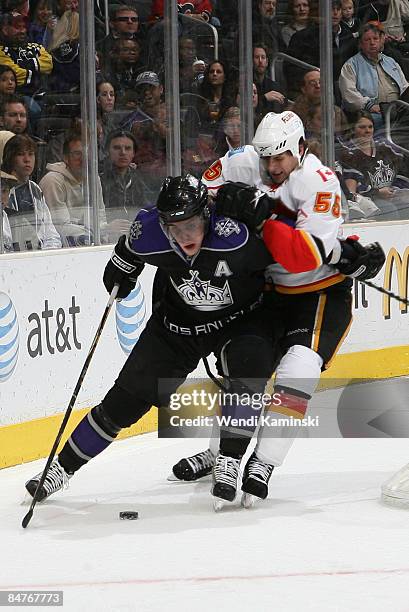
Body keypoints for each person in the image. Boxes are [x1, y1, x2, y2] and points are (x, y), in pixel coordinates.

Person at [25, 174, 279, 508]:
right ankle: (62, 467)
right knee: (124, 401)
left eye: (190, 225)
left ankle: (229, 460)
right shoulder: (148, 232)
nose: (183, 236)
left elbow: (285, 263)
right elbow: (127, 252)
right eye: (174, 227)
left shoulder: (235, 236)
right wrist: (121, 269)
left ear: (207, 215)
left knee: (249, 368)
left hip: (238, 322)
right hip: (176, 329)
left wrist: (267, 212)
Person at [171, 111, 385, 505]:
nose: (272, 167)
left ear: (300, 148)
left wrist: (262, 214)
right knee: (243, 367)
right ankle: (224, 454)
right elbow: (196, 196)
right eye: (265, 157)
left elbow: (303, 257)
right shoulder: (243, 160)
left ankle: (264, 462)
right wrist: (222, 203)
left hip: (317, 293)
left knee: (299, 371)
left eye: (280, 158)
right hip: (264, 290)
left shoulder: (319, 182)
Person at [337, 110, 409, 220]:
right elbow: (352, 190)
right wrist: (377, 192)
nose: (367, 131)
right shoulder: (348, 154)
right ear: (352, 129)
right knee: (388, 209)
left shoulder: (386, 148)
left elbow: (402, 171)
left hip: (392, 195)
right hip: (370, 200)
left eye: (370, 127)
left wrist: (396, 189)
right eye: (362, 127)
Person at [39, 131, 107, 245]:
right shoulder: (53, 181)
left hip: (89, 241)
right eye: (77, 153)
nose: (84, 158)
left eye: (88, 153)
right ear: (66, 158)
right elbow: (60, 228)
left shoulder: (94, 179)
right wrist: (101, 230)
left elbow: (100, 216)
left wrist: (107, 230)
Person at [338, 22, 409, 132]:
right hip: (372, 113)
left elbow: (405, 87)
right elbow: (349, 95)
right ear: (361, 44)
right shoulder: (351, 65)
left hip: (398, 110)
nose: (372, 43)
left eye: (375, 38)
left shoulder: (391, 62)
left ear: (381, 41)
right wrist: (369, 106)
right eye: (367, 40)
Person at [1, 133, 61, 250]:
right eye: (20, 154)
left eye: (31, 154)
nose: (27, 159)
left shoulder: (35, 189)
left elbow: (51, 234)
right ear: (10, 158)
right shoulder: (3, 191)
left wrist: (48, 255)